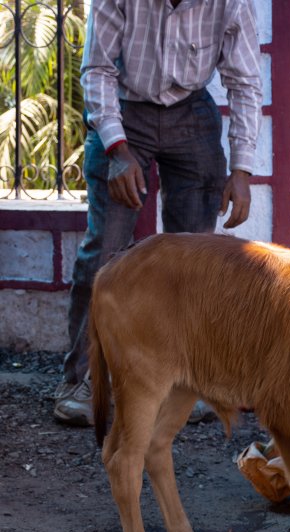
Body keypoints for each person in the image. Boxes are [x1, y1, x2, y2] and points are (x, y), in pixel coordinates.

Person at [52, 0, 263, 426]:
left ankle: (194, 383)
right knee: (104, 253)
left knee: (198, 260)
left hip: (192, 113)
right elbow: (96, 70)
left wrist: (241, 169)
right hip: (125, 112)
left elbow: (244, 81)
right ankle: (81, 381)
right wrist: (116, 148)